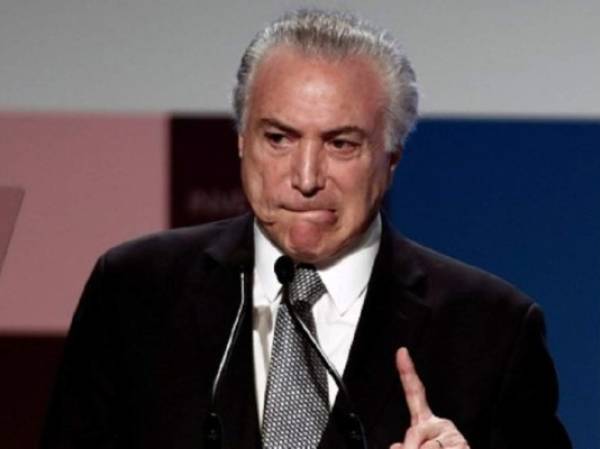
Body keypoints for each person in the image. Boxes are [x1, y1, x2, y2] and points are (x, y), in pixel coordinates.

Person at [42, 9, 571, 449]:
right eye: (279, 138)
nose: (306, 177)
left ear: (390, 159)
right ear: (241, 141)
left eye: (341, 144)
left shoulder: (492, 330)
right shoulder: (134, 292)